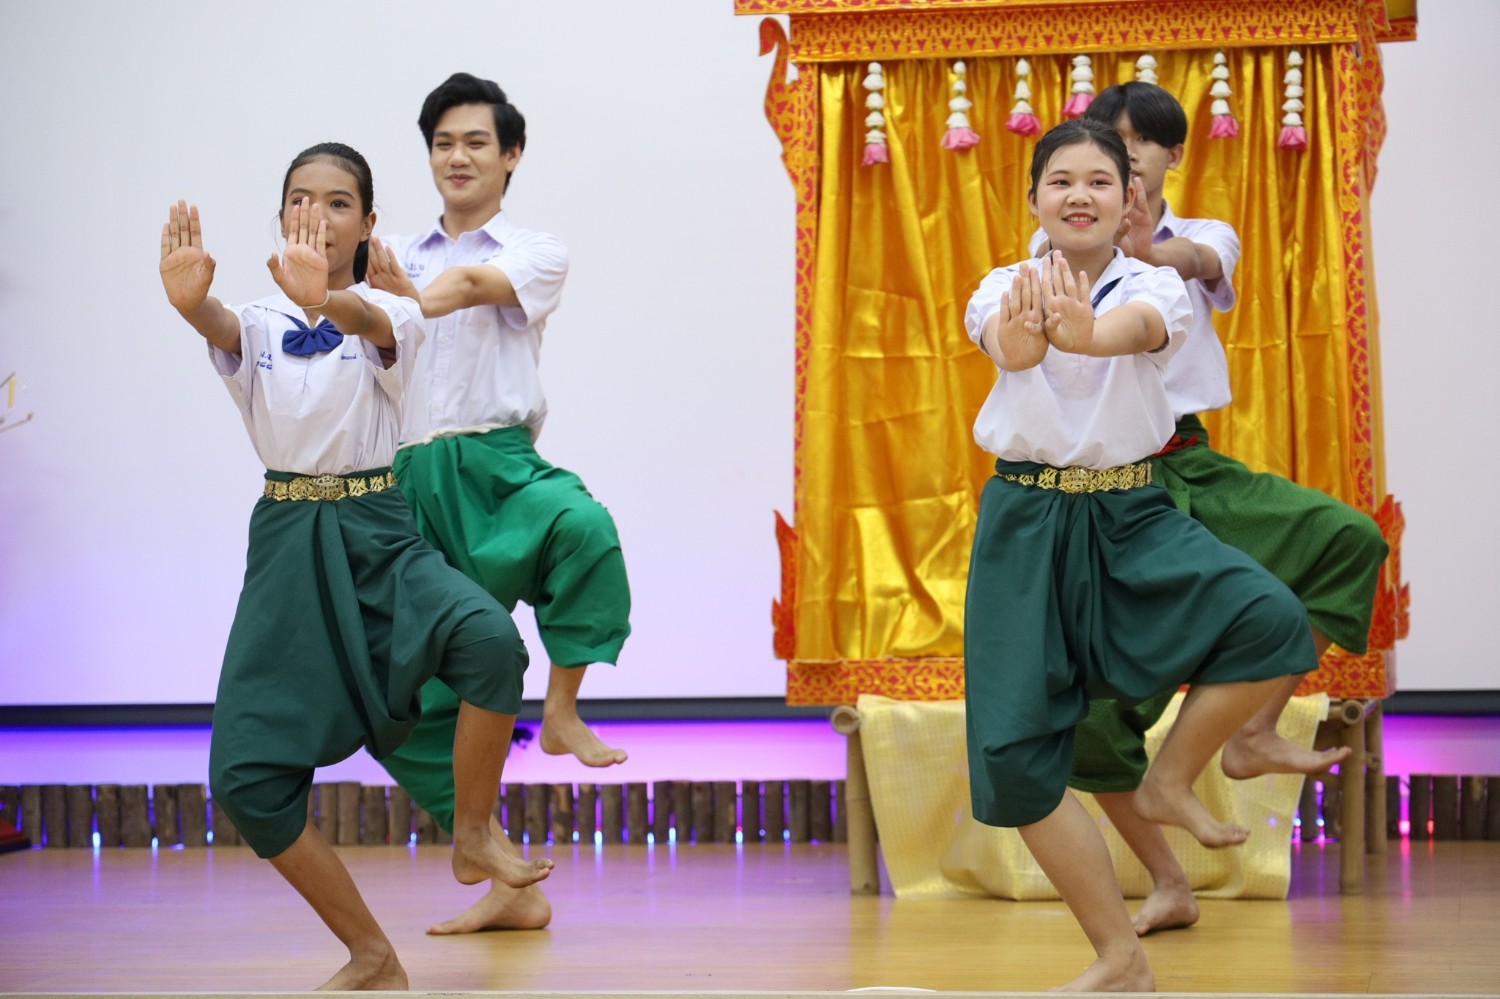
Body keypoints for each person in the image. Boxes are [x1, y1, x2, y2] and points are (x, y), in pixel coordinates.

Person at [159, 142, 553, 989]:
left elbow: (370, 324)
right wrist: (194, 307)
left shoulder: (395, 310)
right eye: (301, 199)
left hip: (379, 528)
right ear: (281, 218)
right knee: (244, 776)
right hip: (289, 541)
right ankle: (372, 954)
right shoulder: (259, 319)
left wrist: (328, 299)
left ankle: (473, 832)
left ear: (370, 223)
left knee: (490, 640)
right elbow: (225, 327)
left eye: (339, 202)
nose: (318, 216)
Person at [963, 118, 1317, 992]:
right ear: (1034, 198)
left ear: (1129, 201)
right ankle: (1121, 957)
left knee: (1270, 617)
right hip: (1025, 524)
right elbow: (1009, 345)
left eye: (1099, 181)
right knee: (1011, 754)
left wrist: (1082, 331)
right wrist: (1031, 332)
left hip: (1132, 511)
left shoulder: (1155, 284)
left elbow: (1136, 331)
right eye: (1061, 181)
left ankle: (1169, 780)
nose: (1079, 195)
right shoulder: (1002, 283)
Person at [1049, 82, 1390, 936]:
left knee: (1349, 539)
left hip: (1191, 460)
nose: (1124, 159)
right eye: (1108, 146)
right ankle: (1169, 882)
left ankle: (1253, 730)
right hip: (1112, 484)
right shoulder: (1064, 241)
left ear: (1172, 155)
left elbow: (1192, 262)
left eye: (1139, 145)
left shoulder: (1206, 234)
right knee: (1092, 717)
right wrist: (1108, 247)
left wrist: (1150, 249)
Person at [361, 72, 632, 934]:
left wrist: (398, 300)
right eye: (443, 143)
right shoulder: (389, 252)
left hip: (499, 464)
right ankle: (507, 880)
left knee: (583, 525)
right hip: (409, 478)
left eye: (476, 141)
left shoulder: (534, 249)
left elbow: (474, 287)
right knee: (399, 699)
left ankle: (561, 710)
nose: (458, 156)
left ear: (511, 154)